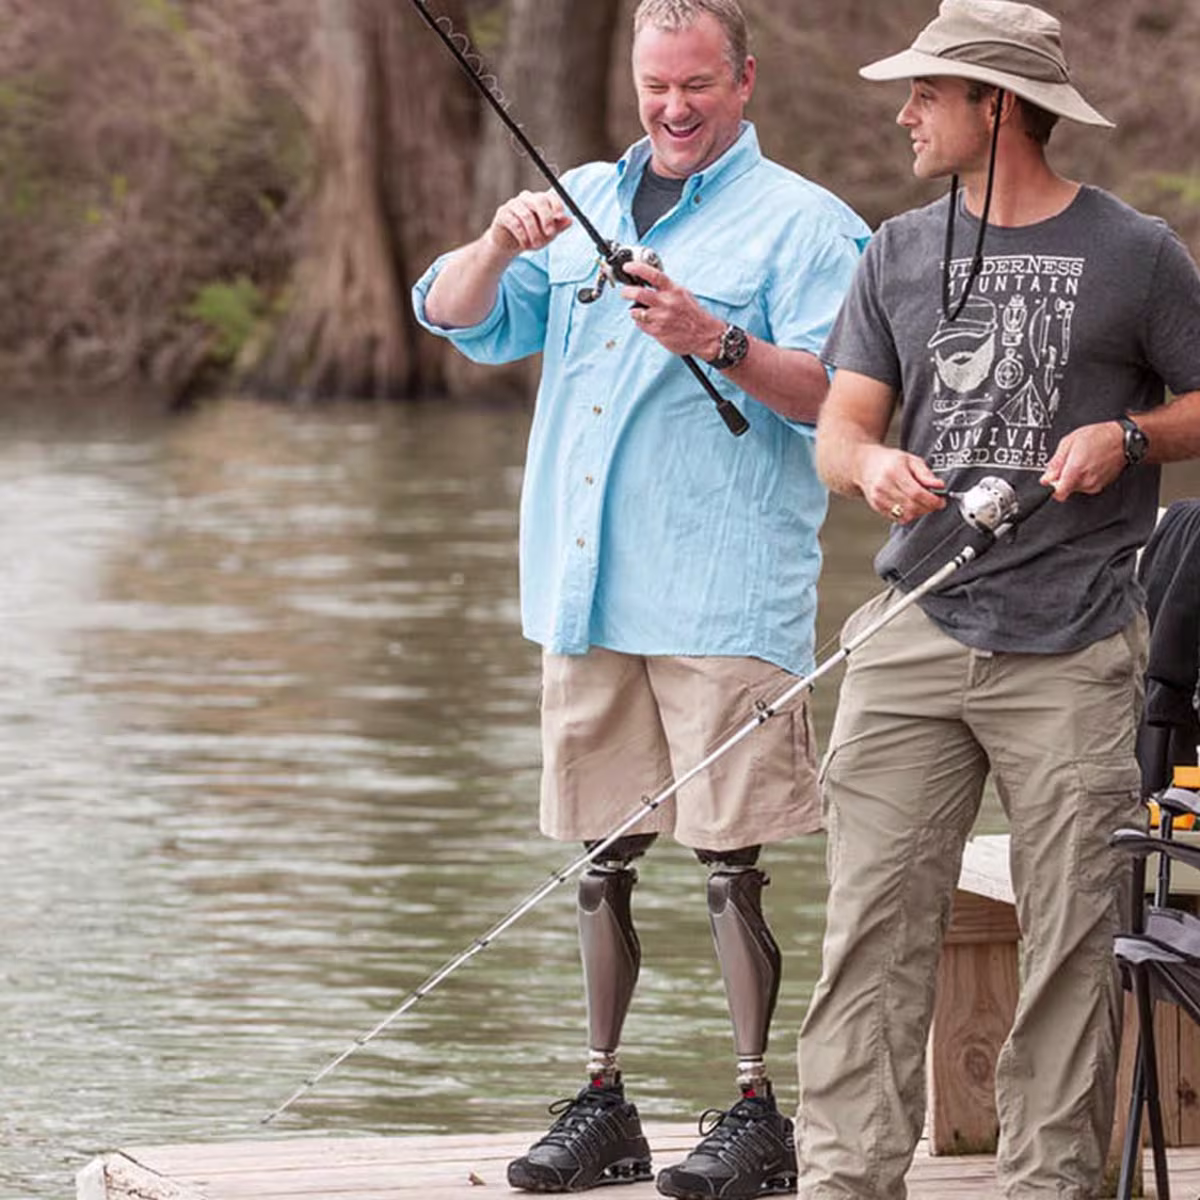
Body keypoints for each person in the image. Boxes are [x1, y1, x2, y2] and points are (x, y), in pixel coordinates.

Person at [412, 0, 868, 1194]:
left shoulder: (809, 226)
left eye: (699, 85)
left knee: (732, 860)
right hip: (587, 593)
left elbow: (842, 401)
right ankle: (606, 1103)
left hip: (723, 594)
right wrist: (501, 247)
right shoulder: (576, 203)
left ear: (745, 79)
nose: (674, 107)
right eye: (657, 84)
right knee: (601, 855)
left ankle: (756, 1115)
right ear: (634, 78)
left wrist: (713, 336)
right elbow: (452, 317)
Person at [797, 1, 1200, 1197]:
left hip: (1078, 648)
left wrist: (1129, 436)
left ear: (1000, 107)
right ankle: (845, 1181)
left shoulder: (1137, 253)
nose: (905, 111)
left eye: (929, 92)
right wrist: (872, 466)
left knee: (1072, 944)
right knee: (870, 932)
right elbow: (841, 423)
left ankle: (1047, 1185)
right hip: (915, 631)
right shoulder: (897, 250)